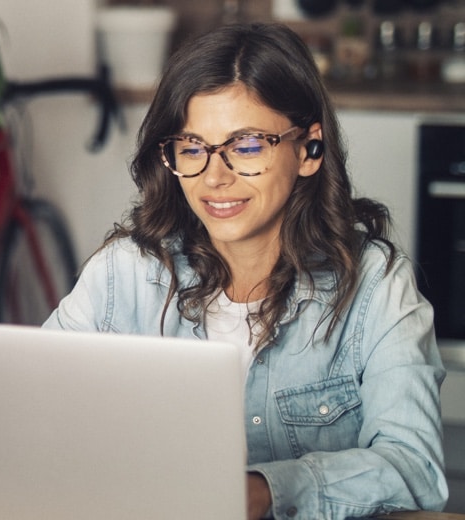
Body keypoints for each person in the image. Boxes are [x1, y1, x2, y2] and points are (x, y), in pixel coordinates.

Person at [44, 22, 446, 519]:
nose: (214, 177)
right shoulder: (122, 275)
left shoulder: (377, 285)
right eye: (193, 147)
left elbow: (414, 469)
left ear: (308, 149)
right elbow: (35, 417)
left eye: (247, 146)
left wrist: (264, 490)